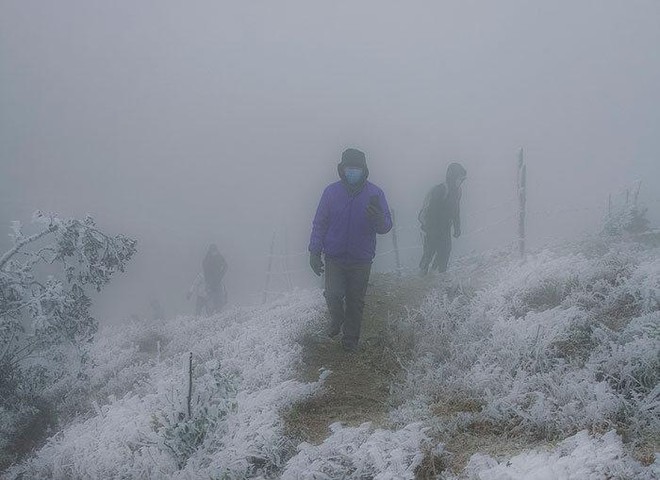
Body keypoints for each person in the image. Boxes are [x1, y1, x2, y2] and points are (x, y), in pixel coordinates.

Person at [308, 148, 393, 352]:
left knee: (356, 301)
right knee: (332, 294)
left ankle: (350, 341)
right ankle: (337, 320)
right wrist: (314, 251)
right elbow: (320, 223)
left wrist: (378, 219)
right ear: (342, 169)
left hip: (361, 259)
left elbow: (386, 226)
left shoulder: (376, 193)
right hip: (334, 257)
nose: (352, 172)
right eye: (349, 168)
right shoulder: (331, 192)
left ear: (364, 170)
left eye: (356, 168)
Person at [418, 162, 467, 275]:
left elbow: (456, 210)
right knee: (429, 253)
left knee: (445, 252)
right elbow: (432, 211)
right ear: (453, 177)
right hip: (432, 229)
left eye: (463, 179)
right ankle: (422, 276)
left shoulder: (457, 191)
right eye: (460, 178)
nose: (461, 182)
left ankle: (439, 275)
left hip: (444, 228)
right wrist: (432, 230)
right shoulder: (440, 190)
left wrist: (457, 227)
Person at [187, 244, 228, 315]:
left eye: (215, 251)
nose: (214, 253)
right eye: (213, 251)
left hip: (208, 295)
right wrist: (190, 292)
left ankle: (214, 318)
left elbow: (222, 285)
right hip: (201, 296)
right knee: (198, 312)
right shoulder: (202, 275)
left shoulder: (217, 277)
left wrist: (225, 296)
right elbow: (195, 283)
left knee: (211, 310)